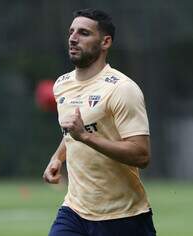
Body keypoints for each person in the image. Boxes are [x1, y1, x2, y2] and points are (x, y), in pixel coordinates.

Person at [43, 8, 156, 236]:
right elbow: (73, 132)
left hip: (124, 217)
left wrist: (85, 136)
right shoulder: (61, 85)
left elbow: (141, 155)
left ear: (105, 42)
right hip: (74, 211)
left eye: (84, 33)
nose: (73, 38)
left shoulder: (122, 89)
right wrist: (57, 157)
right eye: (71, 32)